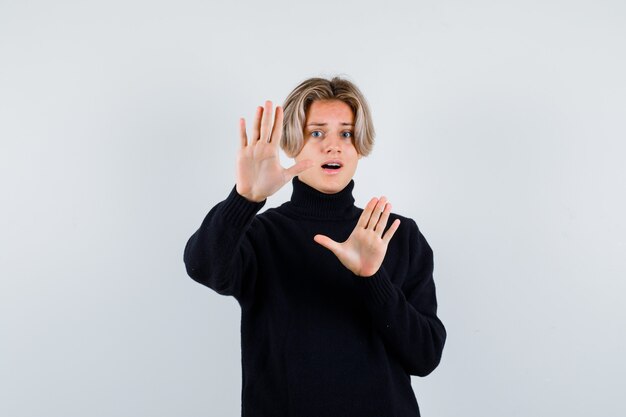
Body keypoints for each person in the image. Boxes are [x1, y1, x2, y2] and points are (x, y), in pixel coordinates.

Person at [183, 76, 446, 417]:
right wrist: (245, 199)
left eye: (346, 133)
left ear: (359, 145)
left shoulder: (396, 233)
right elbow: (202, 267)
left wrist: (372, 278)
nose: (333, 146)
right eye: (317, 132)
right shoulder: (261, 234)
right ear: (294, 144)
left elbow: (425, 357)